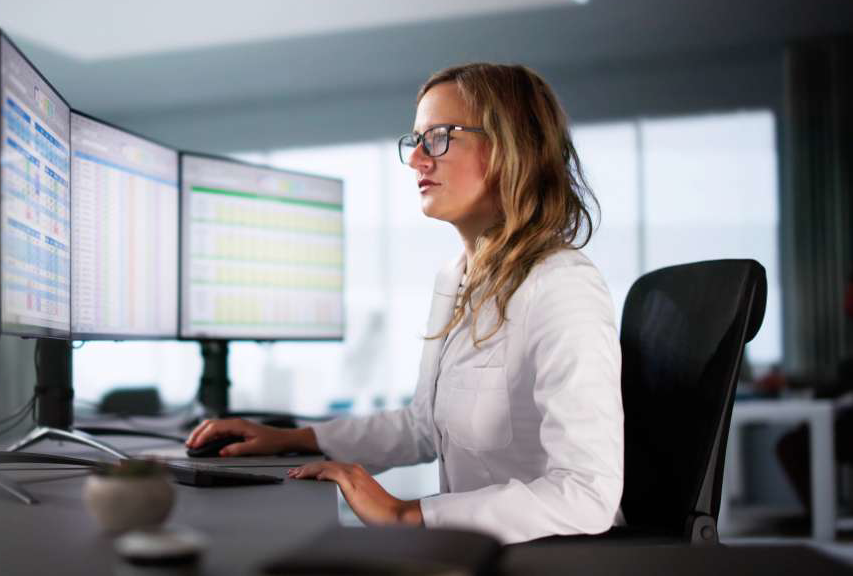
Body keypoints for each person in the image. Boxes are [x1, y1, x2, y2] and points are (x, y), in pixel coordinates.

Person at [185, 63, 624, 544]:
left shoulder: (562, 288)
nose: (416, 159)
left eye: (438, 137)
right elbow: (421, 427)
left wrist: (407, 515)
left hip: (543, 559)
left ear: (509, 147)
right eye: (415, 140)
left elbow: (587, 494)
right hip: (470, 553)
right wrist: (293, 439)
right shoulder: (459, 278)